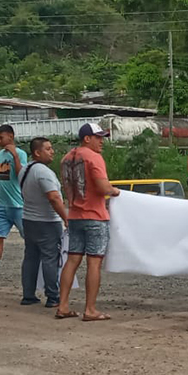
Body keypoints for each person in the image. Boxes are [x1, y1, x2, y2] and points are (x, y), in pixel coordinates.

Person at [57, 123, 121, 321]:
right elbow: (103, 187)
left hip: (74, 215)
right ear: (87, 138)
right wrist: (114, 190)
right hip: (95, 216)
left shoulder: (66, 158)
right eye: (98, 137)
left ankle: (63, 305)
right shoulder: (94, 158)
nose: (101, 141)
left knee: (72, 260)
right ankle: (90, 309)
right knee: (94, 263)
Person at [19, 137, 68, 309]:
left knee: (31, 257)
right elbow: (54, 197)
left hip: (28, 219)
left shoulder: (25, 170)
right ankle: (53, 296)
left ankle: (28, 294)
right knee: (50, 258)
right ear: (37, 152)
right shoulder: (43, 172)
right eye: (48, 149)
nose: (52, 151)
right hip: (47, 221)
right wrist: (66, 218)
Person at [0, 124, 29, 287]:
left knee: (30, 239)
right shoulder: (1, 154)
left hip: (18, 205)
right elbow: (4, 176)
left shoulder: (21, 154)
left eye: (1, 137)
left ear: (10, 136)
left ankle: (33, 272)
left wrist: (15, 156)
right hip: (2, 204)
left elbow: (21, 174)